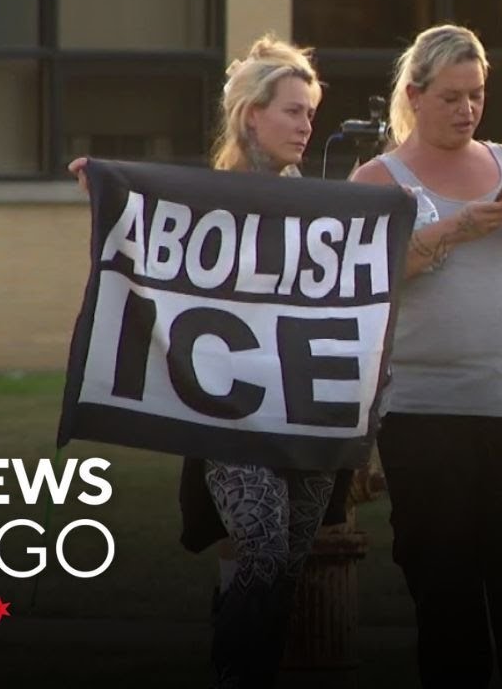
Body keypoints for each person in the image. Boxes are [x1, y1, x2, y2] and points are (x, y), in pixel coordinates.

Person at [69, 35, 341, 688]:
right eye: (293, 111)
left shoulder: (323, 211)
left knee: (283, 566)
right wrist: (109, 193)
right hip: (229, 415)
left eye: (311, 112)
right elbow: (147, 243)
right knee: (264, 551)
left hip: (304, 415)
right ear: (253, 115)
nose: (307, 125)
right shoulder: (202, 199)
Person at [350, 25, 502, 688]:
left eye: (477, 95)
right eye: (452, 97)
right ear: (415, 95)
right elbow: (360, 279)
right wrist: (454, 228)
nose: (467, 110)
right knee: (445, 593)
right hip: (426, 417)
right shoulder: (379, 178)